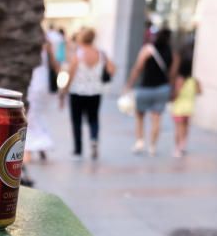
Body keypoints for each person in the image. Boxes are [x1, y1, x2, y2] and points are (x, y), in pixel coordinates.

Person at [60, 27, 114, 161]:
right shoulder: (101, 54)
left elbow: (71, 73)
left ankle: (78, 150)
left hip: (78, 91)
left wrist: (65, 89)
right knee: (93, 118)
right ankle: (94, 140)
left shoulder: (78, 54)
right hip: (95, 91)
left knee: (76, 120)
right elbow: (112, 69)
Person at [125, 27, 177, 156]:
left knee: (140, 116)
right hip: (162, 89)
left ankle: (140, 141)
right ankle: (152, 146)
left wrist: (129, 84)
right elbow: (172, 74)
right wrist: (172, 89)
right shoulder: (171, 53)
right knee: (156, 118)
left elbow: (138, 68)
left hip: (146, 87)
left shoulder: (147, 50)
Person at [25, 37, 60, 161]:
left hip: (34, 82)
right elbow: (56, 65)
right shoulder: (48, 46)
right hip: (44, 83)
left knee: (31, 116)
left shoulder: (30, 47)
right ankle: (41, 146)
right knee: (37, 115)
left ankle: (30, 148)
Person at [170, 56, 200, 158]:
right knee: (186, 128)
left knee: (178, 129)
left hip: (179, 109)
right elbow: (199, 92)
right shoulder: (194, 81)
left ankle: (177, 148)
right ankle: (183, 145)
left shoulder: (180, 80)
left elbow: (176, 95)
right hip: (189, 108)